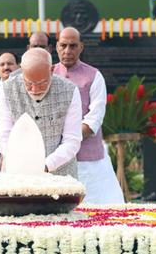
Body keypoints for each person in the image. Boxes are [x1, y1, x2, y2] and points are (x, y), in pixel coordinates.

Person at [53, 27, 124, 204]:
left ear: (81, 47)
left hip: (88, 158)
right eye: (63, 45)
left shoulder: (94, 76)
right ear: (56, 47)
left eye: (73, 46)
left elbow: (95, 117)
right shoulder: (48, 73)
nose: (67, 51)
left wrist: (69, 140)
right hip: (54, 158)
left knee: (99, 207)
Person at [0, 47, 82, 177]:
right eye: (29, 83)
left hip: (60, 176)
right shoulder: (7, 88)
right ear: (21, 71)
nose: (35, 90)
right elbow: (4, 135)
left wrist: (47, 164)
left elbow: (72, 140)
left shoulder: (69, 90)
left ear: (52, 70)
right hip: (16, 173)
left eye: (42, 83)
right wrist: (20, 161)